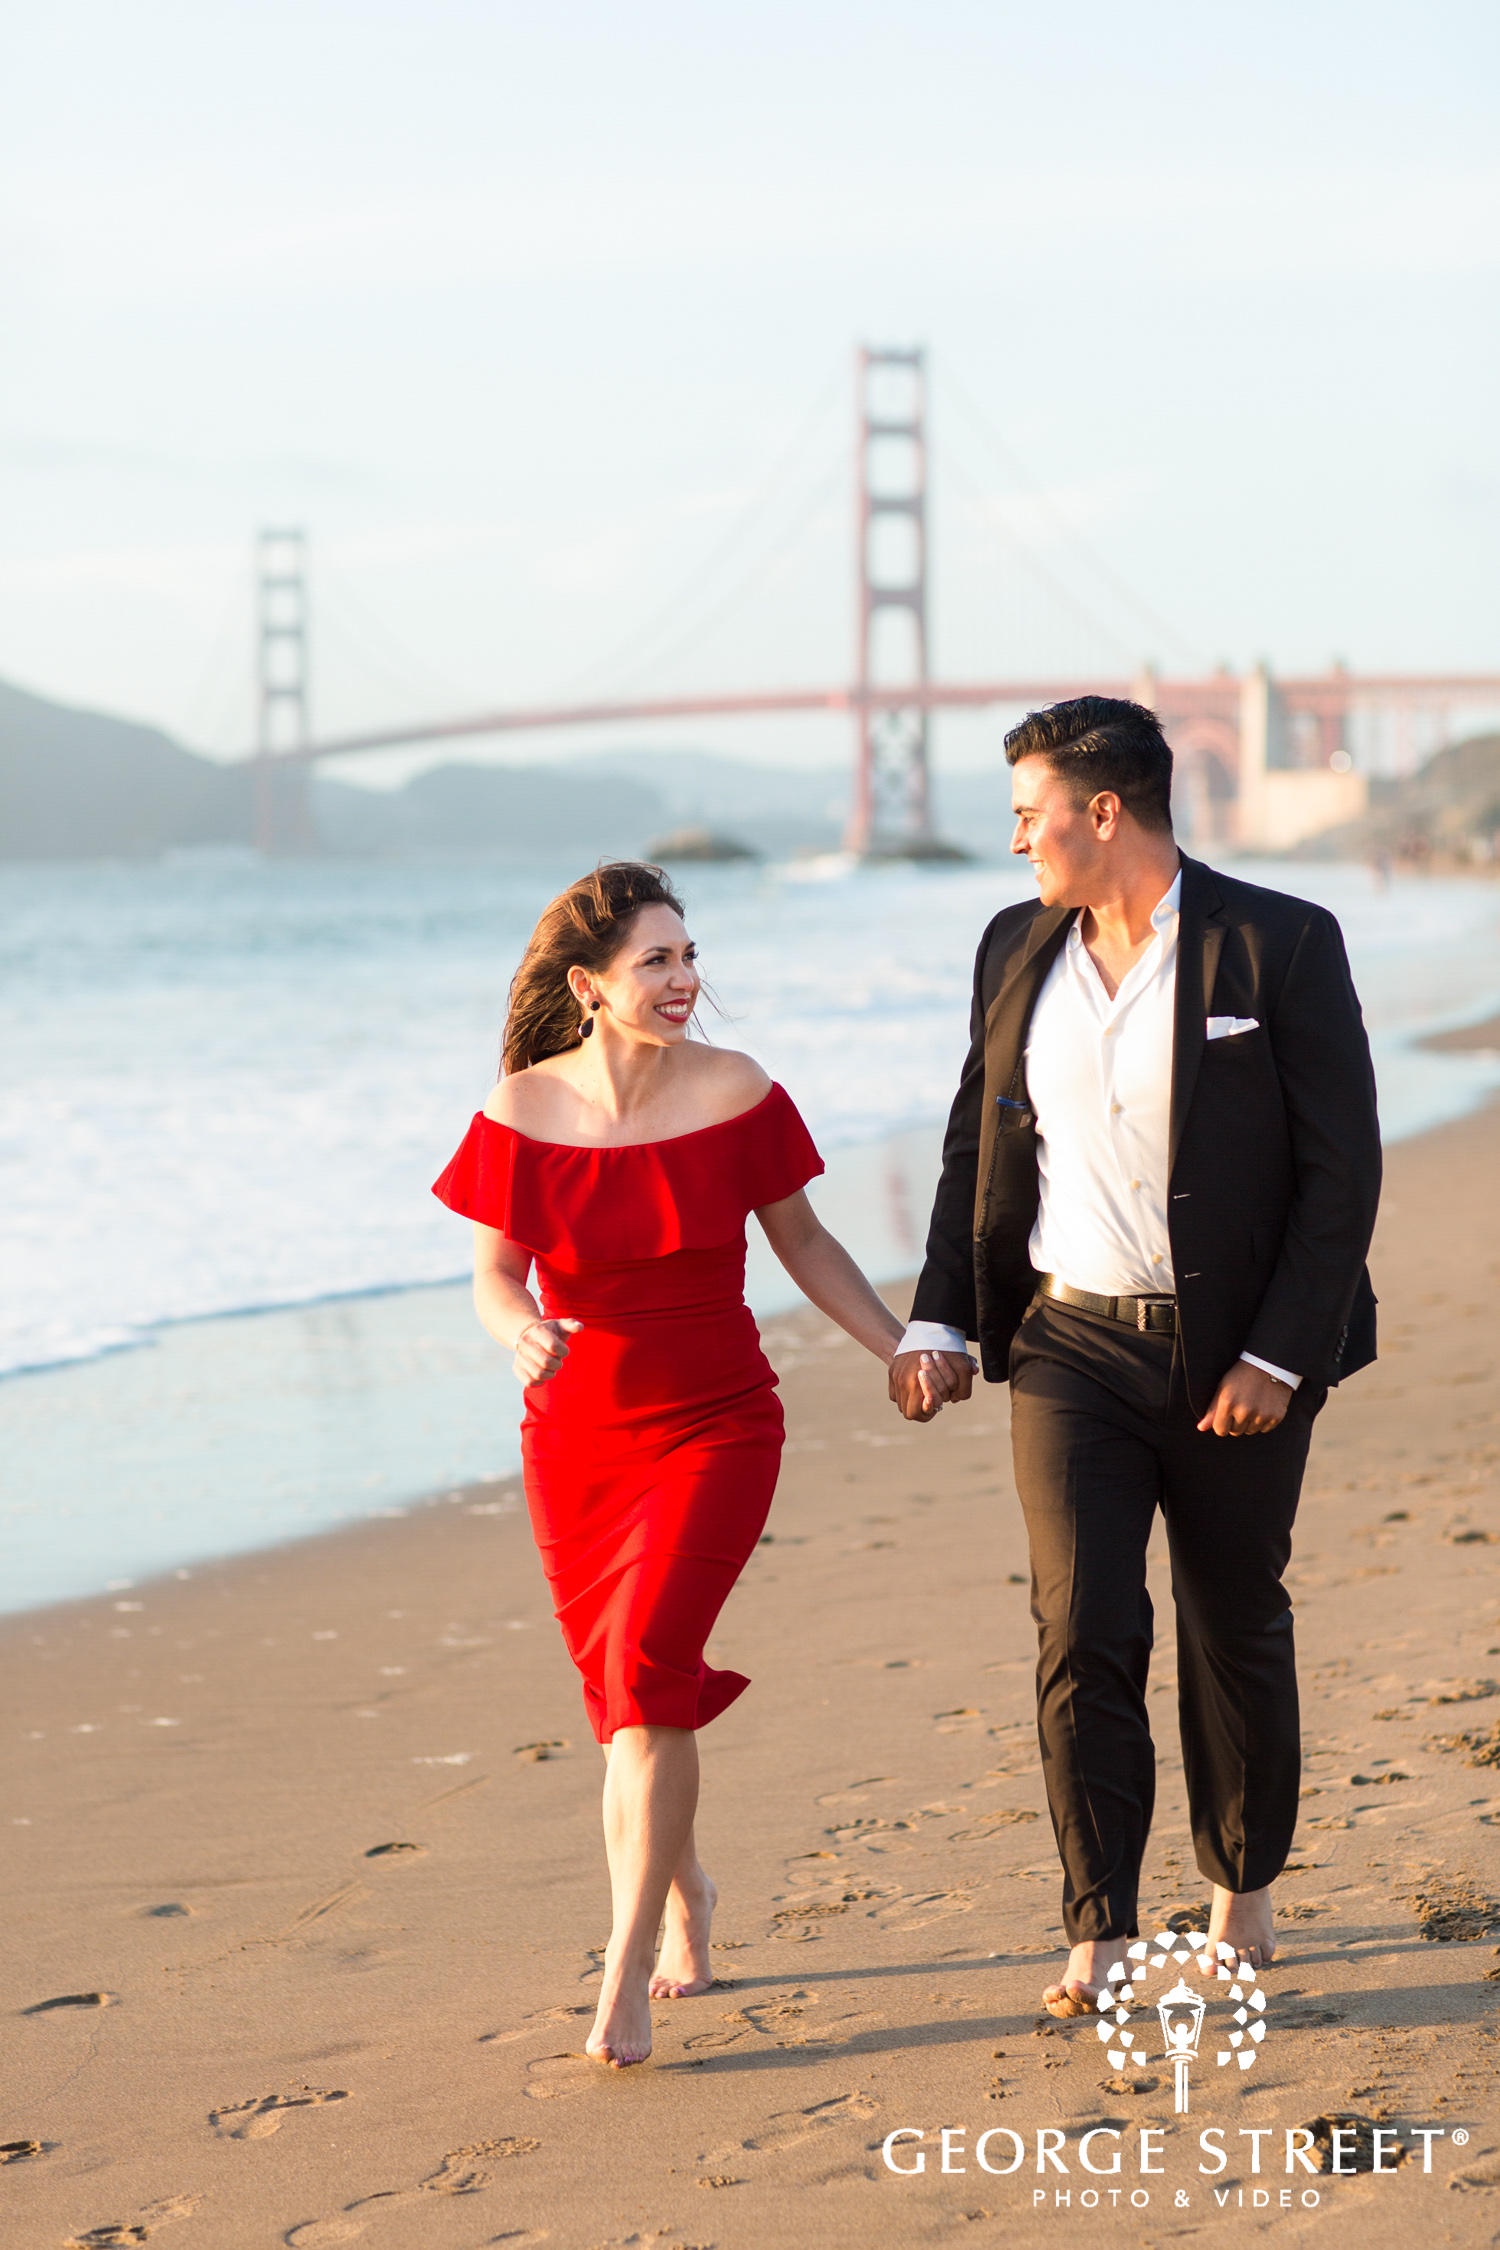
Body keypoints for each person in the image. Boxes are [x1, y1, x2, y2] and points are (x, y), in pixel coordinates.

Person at [887, 698, 1380, 2016]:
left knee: (1234, 1623)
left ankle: (1240, 1885)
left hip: (1235, 1355)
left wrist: (1280, 1354)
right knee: (1083, 1625)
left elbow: (1344, 1176)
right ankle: (1098, 1925)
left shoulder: (1277, 943)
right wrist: (939, 1317)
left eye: (1026, 815)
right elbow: (974, 1146)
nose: (1014, 845)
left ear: (1104, 813)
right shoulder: (1015, 943)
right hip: (1070, 1345)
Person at [433, 862, 923, 2068]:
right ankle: (690, 1888)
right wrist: (520, 1331)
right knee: (625, 1711)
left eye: (689, 957)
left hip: (717, 1425)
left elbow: (803, 1243)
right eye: (657, 962)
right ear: (588, 987)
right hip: (576, 1442)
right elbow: (494, 1275)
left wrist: (899, 1347)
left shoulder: (738, 1093)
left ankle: (623, 1975)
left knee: (648, 1668)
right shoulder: (517, 1111)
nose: (685, 981)